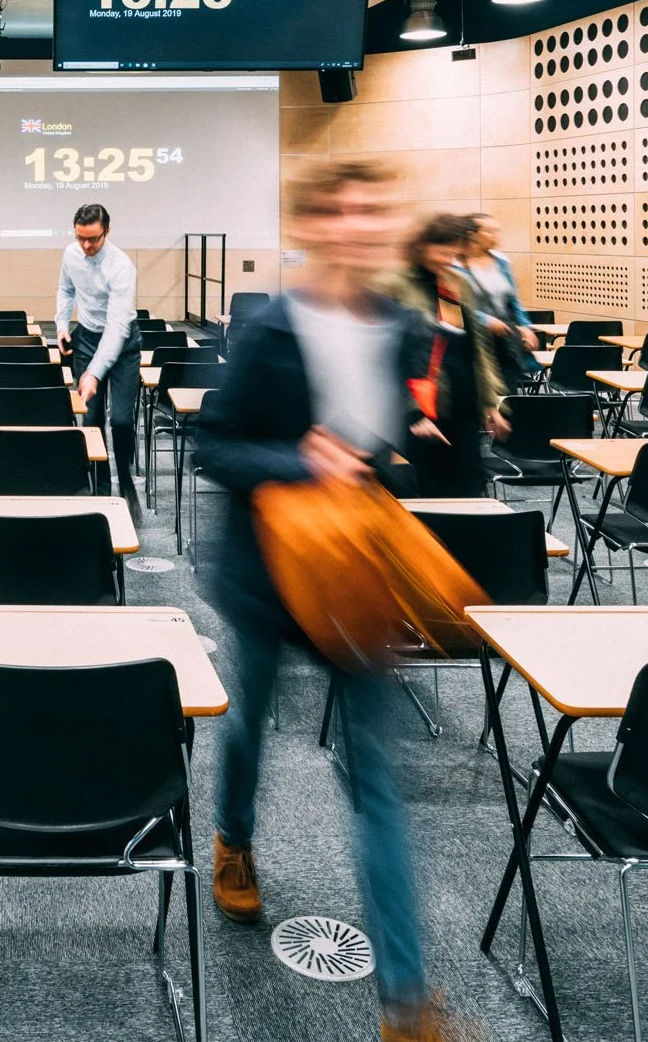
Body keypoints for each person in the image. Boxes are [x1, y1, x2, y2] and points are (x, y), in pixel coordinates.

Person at [192, 158, 451, 1042]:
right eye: (336, 209)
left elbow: (391, 445)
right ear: (308, 224)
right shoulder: (270, 326)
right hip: (268, 573)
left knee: (376, 778)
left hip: (354, 572)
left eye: (371, 208)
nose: (355, 223)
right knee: (248, 723)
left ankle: (405, 1001)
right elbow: (215, 447)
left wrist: (394, 452)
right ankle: (233, 838)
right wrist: (303, 462)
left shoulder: (406, 326)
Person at [392, 213, 506, 495]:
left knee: (467, 489)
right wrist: (412, 414)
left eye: (453, 252)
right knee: (424, 491)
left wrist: (490, 402)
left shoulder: (456, 282)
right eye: (441, 251)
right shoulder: (393, 284)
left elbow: (476, 346)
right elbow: (389, 356)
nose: (447, 259)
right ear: (421, 246)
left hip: (461, 399)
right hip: (419, 406)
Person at [54, 202, 140, 502]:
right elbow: (65, 290)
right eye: (80, 238)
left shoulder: (121, 266)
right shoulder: (71, 254)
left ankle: (126, 482)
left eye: (93, 238)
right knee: (90, 422)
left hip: (124, 344)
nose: (86, 245)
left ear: (107, 231)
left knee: (121, 421)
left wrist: (94, 372)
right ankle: (100, 491)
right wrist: (62, 324)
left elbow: (117, 328)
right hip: (87, 338)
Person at [458, 212, 538, 391]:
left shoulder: (501, 261)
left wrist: (525, 326)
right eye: (490, 231)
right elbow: (452, 308)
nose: (496, 235)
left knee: (507, 396)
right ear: (473, 236)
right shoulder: (455, 265)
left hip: (504, 341)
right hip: (472, 342)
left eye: (497, 230)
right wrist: (484, 320)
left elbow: (513, 300)